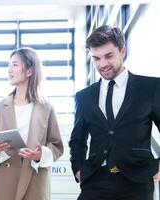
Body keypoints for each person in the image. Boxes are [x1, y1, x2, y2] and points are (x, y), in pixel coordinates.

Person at [69, 25, 160, 200]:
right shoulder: (84, 96)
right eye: (96, 58)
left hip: (137, 180)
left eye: (108, 56)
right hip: (95, 179)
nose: (102, 64)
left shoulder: (151, 88)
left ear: (122, 51)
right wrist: (78, 168)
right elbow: (77, 139)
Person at [0, 47, 64, 200]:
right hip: (3, 181)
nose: (9, 70)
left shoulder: (46, 108)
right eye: (9, 65)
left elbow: (57, 146)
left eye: (14, 65)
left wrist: (42, 154)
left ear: (29, 71)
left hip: (35, 180)